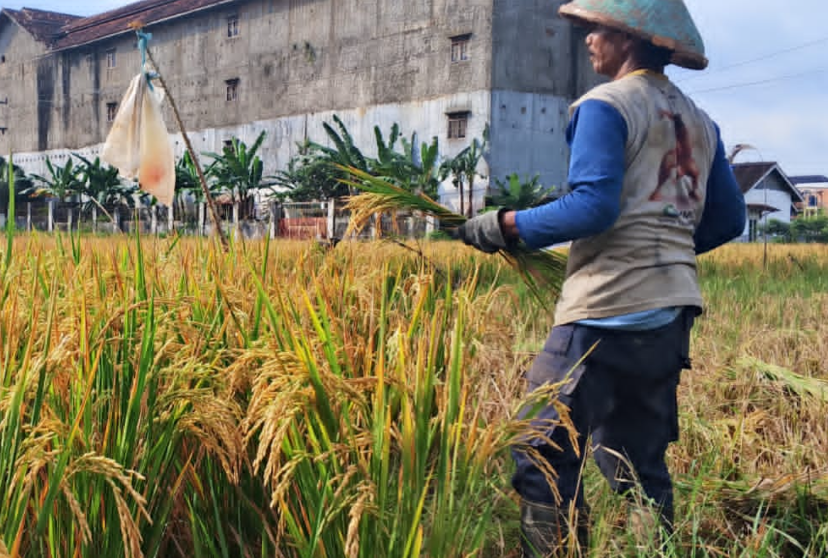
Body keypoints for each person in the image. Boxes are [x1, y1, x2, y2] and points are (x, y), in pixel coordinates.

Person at [456, 0, 747, 556]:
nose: (588, 39)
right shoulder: (700, 120)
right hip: (671, 314)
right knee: (638, 460)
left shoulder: (606, 105)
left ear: (630, 38)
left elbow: (590, 208)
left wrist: (505, 225)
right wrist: (666, 250)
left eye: (598, 29)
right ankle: (654, 547)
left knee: (541, 444)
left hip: (605, 309)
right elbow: (729, 219)